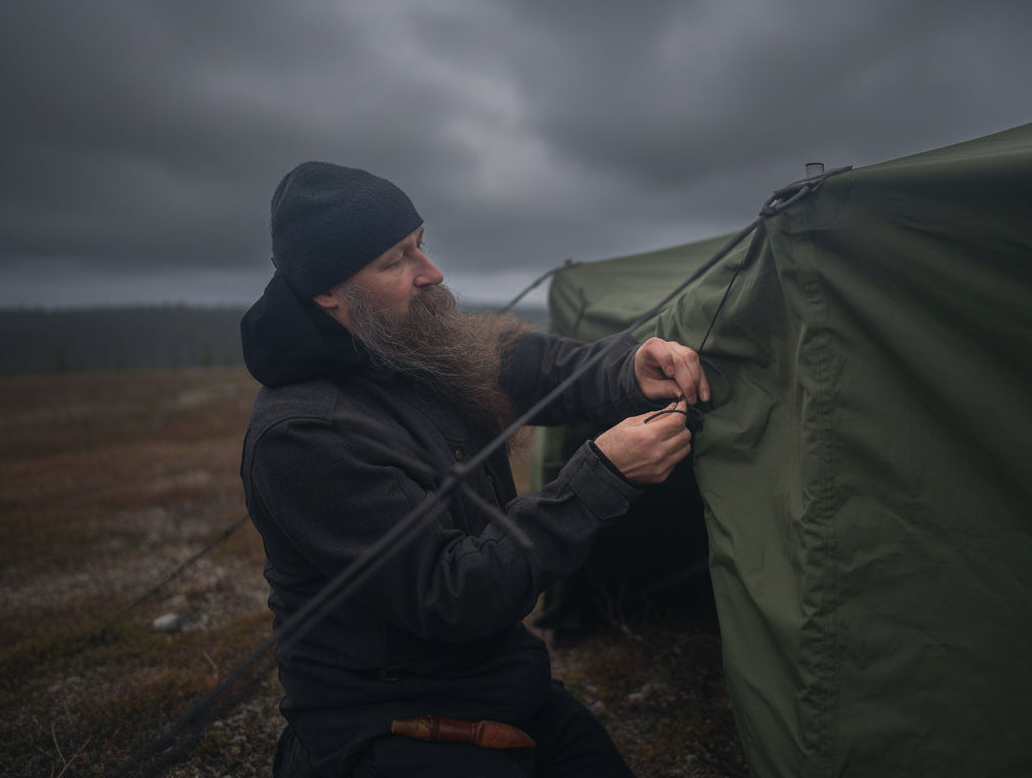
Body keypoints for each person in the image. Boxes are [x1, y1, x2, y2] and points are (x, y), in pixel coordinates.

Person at [239, 161, 709, 777]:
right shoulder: (303, 435)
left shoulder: (407, 343)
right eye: (395, 261)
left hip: (505, 686)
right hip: (387, 726)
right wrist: (600, 476)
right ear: (328, 290)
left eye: (421, 245)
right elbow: (449, 596)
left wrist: (628, 367)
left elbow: (536, 367)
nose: (431, 273)